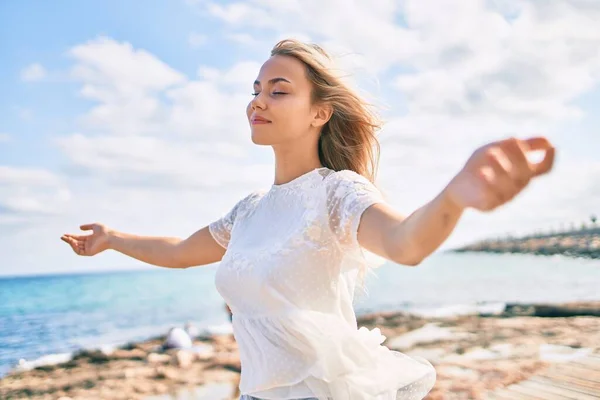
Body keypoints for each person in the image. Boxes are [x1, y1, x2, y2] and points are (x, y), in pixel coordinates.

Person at [61, 39, 555, 400]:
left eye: (279, 91)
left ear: (320, 112)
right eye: (256, 90)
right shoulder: (249, 211)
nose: (257, 101)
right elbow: (177, 251)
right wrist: (112, 238)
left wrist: (455, 197)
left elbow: (406, 242)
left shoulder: (337, 193)